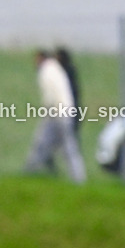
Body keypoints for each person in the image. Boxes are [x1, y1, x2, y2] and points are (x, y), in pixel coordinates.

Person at [23, 50, 85, 183]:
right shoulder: (55, 68)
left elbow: (50, 96)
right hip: (65, 112)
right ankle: (77, 177)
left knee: (48, 145)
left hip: (58, 114)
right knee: (57, 146)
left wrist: (46, 113)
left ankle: (29, 171)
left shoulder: (46, 70)